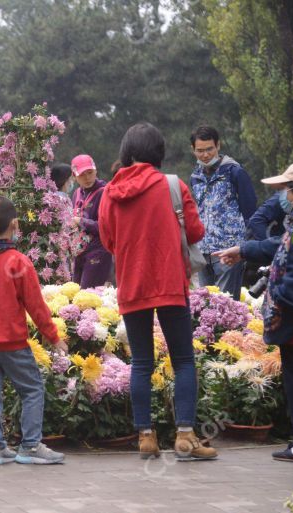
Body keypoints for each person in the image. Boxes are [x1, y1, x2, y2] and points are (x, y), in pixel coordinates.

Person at [99, 122, 217, 461]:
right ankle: (184, 435)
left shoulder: (111, 192)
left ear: (126, 151)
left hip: (132, 285)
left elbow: (109, 240)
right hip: (169, 284)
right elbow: (194, 231)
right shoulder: (172, 185)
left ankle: (146, 438)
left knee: (140, 362)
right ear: (159, 152)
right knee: (182, 360)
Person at [214, 162, 293, 464]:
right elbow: (281, 245)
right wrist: (244, 249)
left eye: (286, 188)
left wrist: (279, 299)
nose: (283, 194)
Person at [0, 196, 68, 466]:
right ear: (15, 224)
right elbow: (36, 305)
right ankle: (30, 446)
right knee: (31, 389)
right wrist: (54, 337)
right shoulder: (19, 262)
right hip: (12, 343)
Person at [189, 125, 257, 299]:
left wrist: (244, 249)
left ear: (218, 146)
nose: (205, 155)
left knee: (226, 306)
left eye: (210, 149)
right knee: (205, 307)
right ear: (193, 150)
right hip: (204, 252)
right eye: (200, 150)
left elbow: (251, 213)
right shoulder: (195, 177)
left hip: (229, 252)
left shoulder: (235, 172)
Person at [71, 154, 113, 288]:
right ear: (74, 176)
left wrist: (81, 221)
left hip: (98, 251)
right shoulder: (76, 193)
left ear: (96, 171)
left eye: (90, 172)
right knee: (74, 294)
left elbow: (106, 227)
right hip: (79, 252)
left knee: (88, 296)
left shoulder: (104, 192)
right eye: (82, 174)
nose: (87, 178)